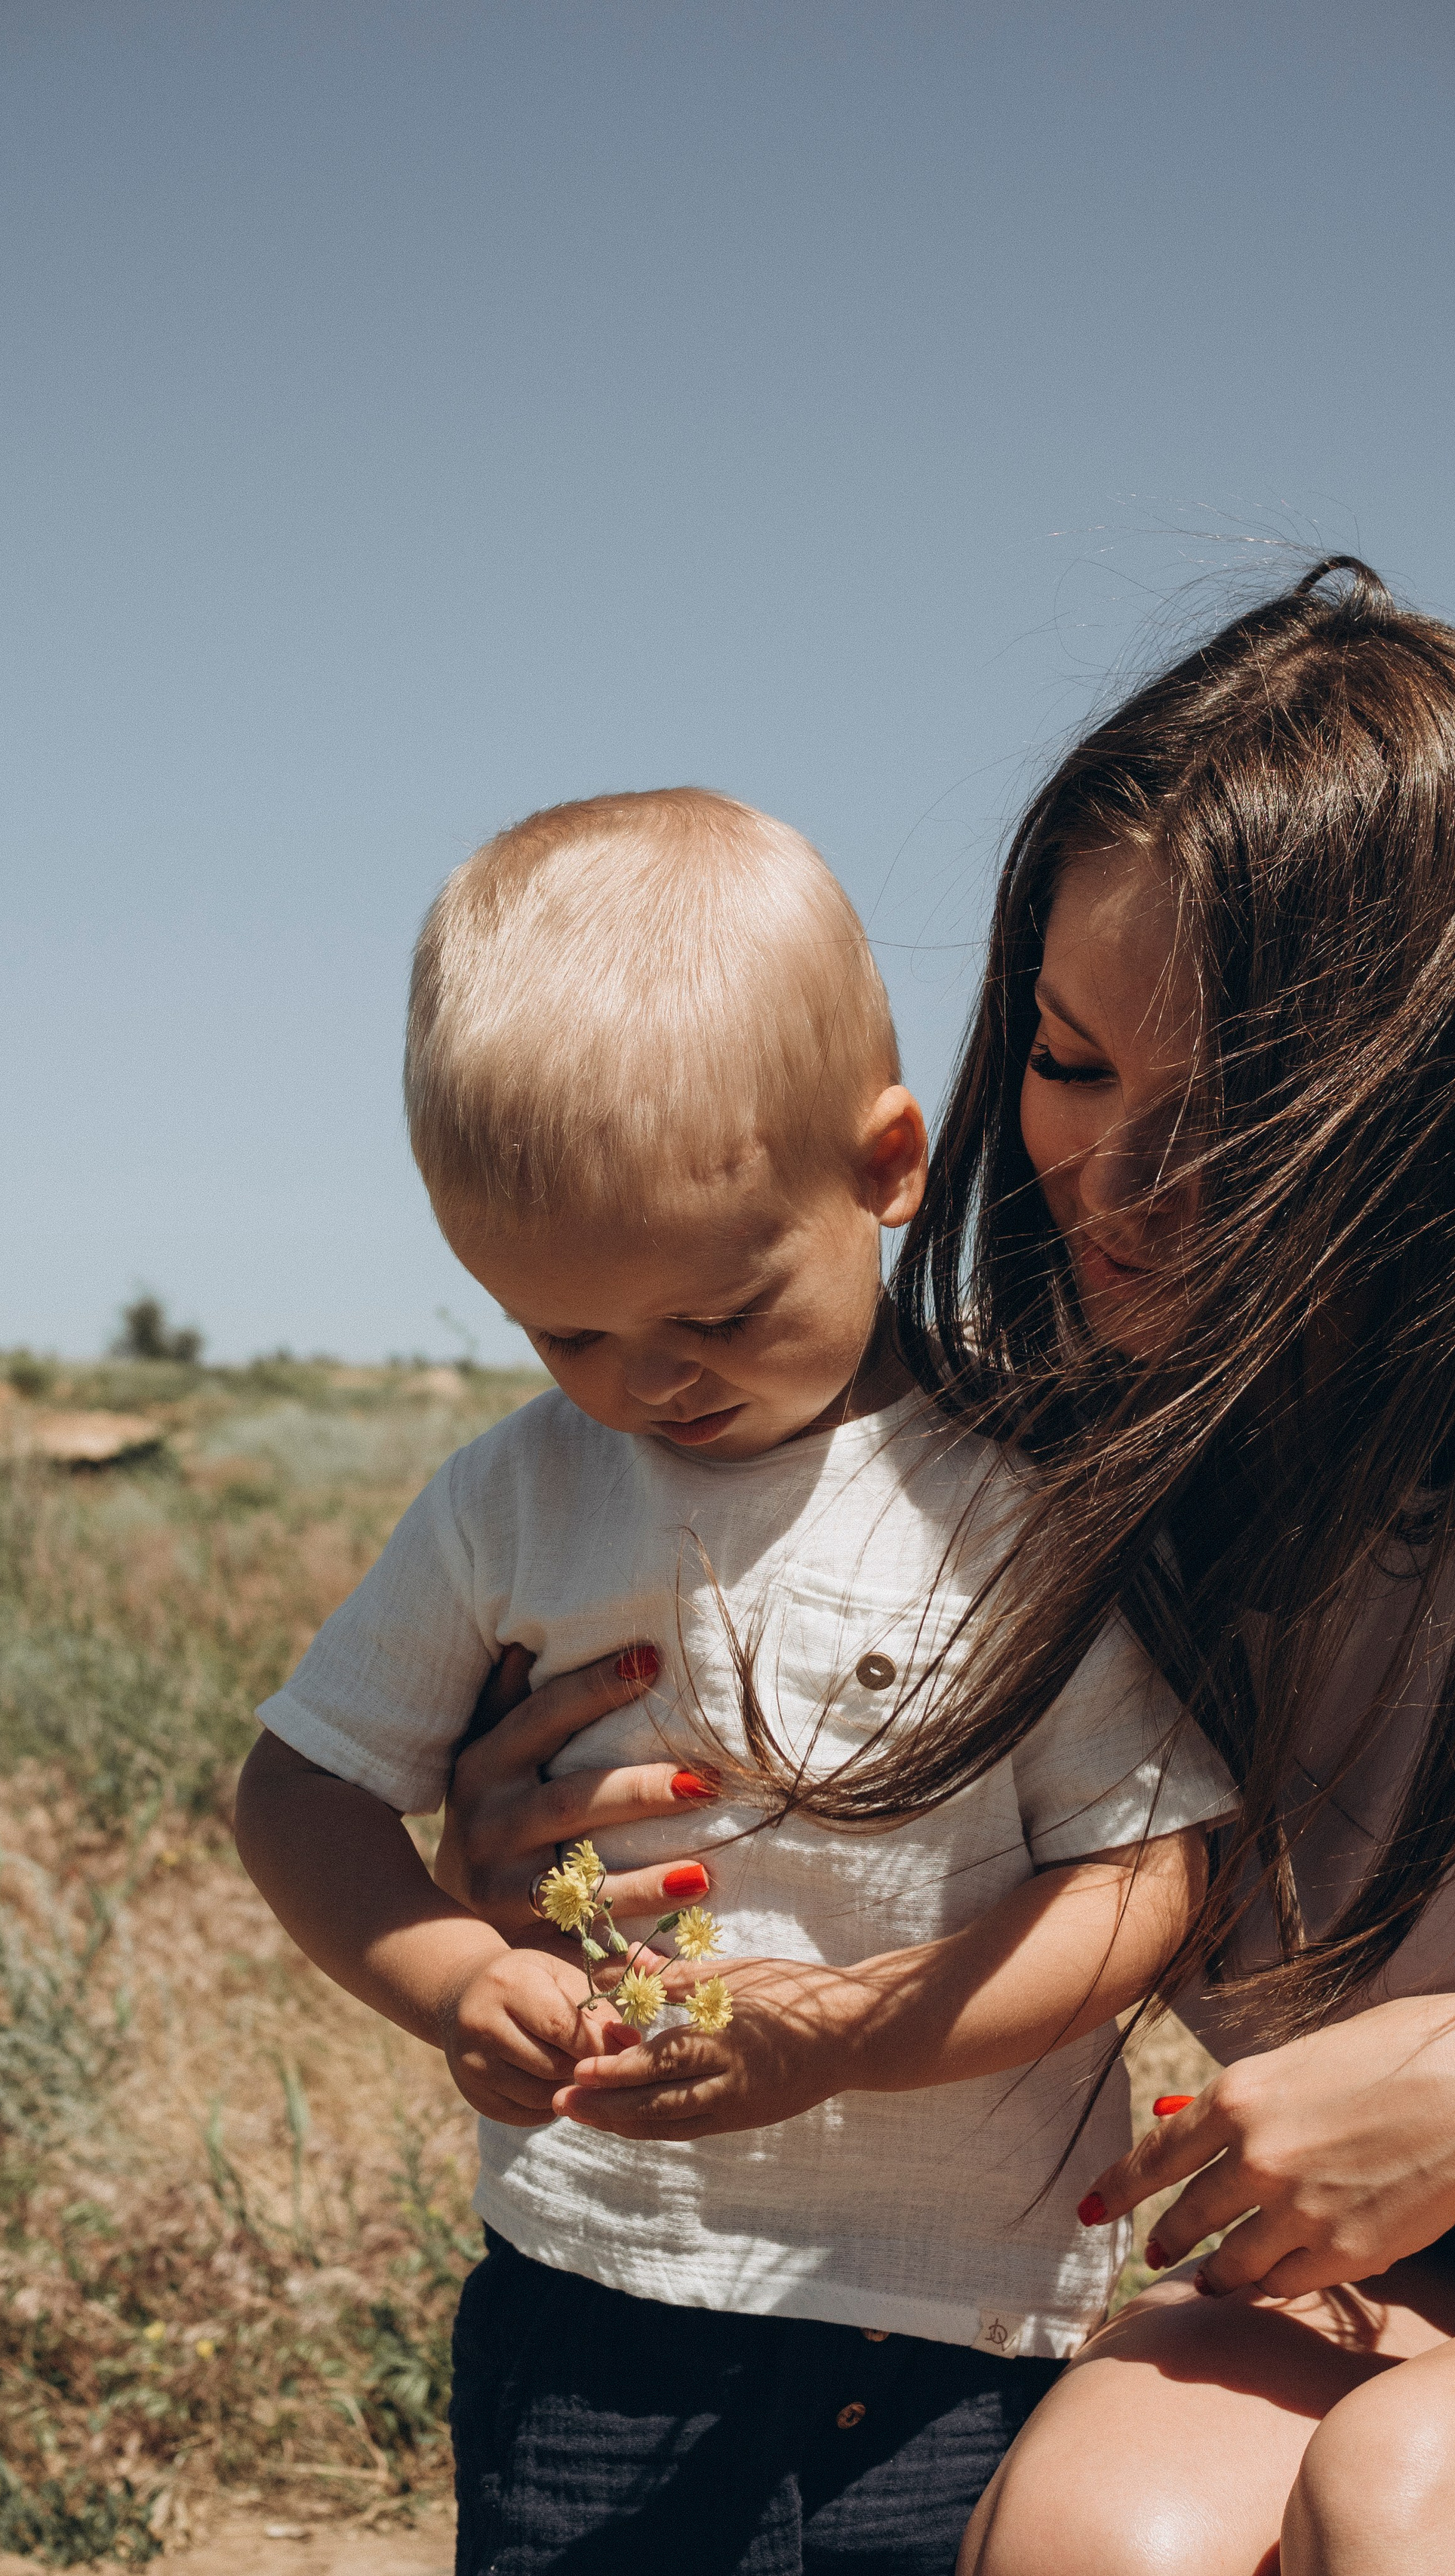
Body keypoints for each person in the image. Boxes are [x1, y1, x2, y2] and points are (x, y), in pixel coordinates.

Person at [433, 575, 1455, 2576]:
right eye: (1070, 1060)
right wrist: (572, 1865)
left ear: (1446, 1098)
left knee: (1437, 2493)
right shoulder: (1051, 1449)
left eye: (1238, 1108)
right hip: (1423, 2258)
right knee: (1103, 2534)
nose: (1115, 1181)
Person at [232, 788, 1235, 2576]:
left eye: (715, 1313)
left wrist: (849, 2030)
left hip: (944, 2323)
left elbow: (1144, 1874)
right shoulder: (517, 1497)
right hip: (593, 2291)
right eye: (567, 1332)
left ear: (882, 1167)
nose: (649, 1384)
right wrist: (452, 1974)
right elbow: (302, 1789)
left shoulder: (1015, 1500)